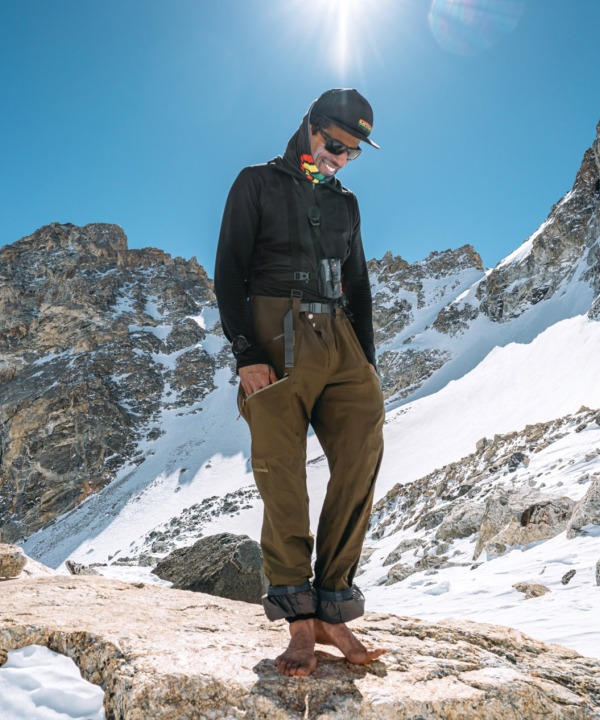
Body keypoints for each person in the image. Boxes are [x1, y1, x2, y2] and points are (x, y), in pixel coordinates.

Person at [214, 88, 388, 676]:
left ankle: (335, 605)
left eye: (353, 152)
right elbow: (229, 272)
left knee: (363, 451)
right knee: (283, 477)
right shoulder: (255, 183)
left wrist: (364, 360)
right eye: (335, 144)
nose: (341, 157)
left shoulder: (348, 205)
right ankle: (300, 622)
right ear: (309, 127)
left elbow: (358, 284)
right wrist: (245, 353)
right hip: (273, 335)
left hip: (338, 338)